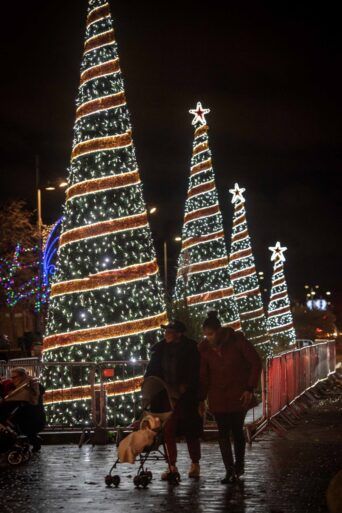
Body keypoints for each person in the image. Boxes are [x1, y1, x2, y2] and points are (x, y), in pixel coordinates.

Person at [199, 311, 262, 483]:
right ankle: (229, 470)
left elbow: (255, 362)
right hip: (218, 396)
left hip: (238, 395)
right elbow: (204, 376)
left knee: (236, 430)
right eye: (205, 335)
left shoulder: (237, 342)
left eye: (210, 334)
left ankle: (239, 465)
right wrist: (201, 398)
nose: (208, 338)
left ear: (219, 331)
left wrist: (249, 387)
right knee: (223, 433)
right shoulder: (204, 349)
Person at [144, 320, 202, 479]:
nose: (166, 334)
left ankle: (195, 464)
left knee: (191, 431)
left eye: (170, 331)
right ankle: (171, 465)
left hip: (186, 396)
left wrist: (187, 387)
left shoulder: (191, 349)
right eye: (166, 331)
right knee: (168, 431)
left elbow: (195, 372)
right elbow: (152, 371)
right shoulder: (160, 349)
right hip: (164, 396)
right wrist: (151, 386)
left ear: (179, 334)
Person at [0, 367, 45, 451]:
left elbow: (15, 398)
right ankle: (34, 440)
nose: (12, 380)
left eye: (14, 377)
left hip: (31, 419)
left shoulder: (27, 387)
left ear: (22, 376)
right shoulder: (21, 386)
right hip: (26, 417)